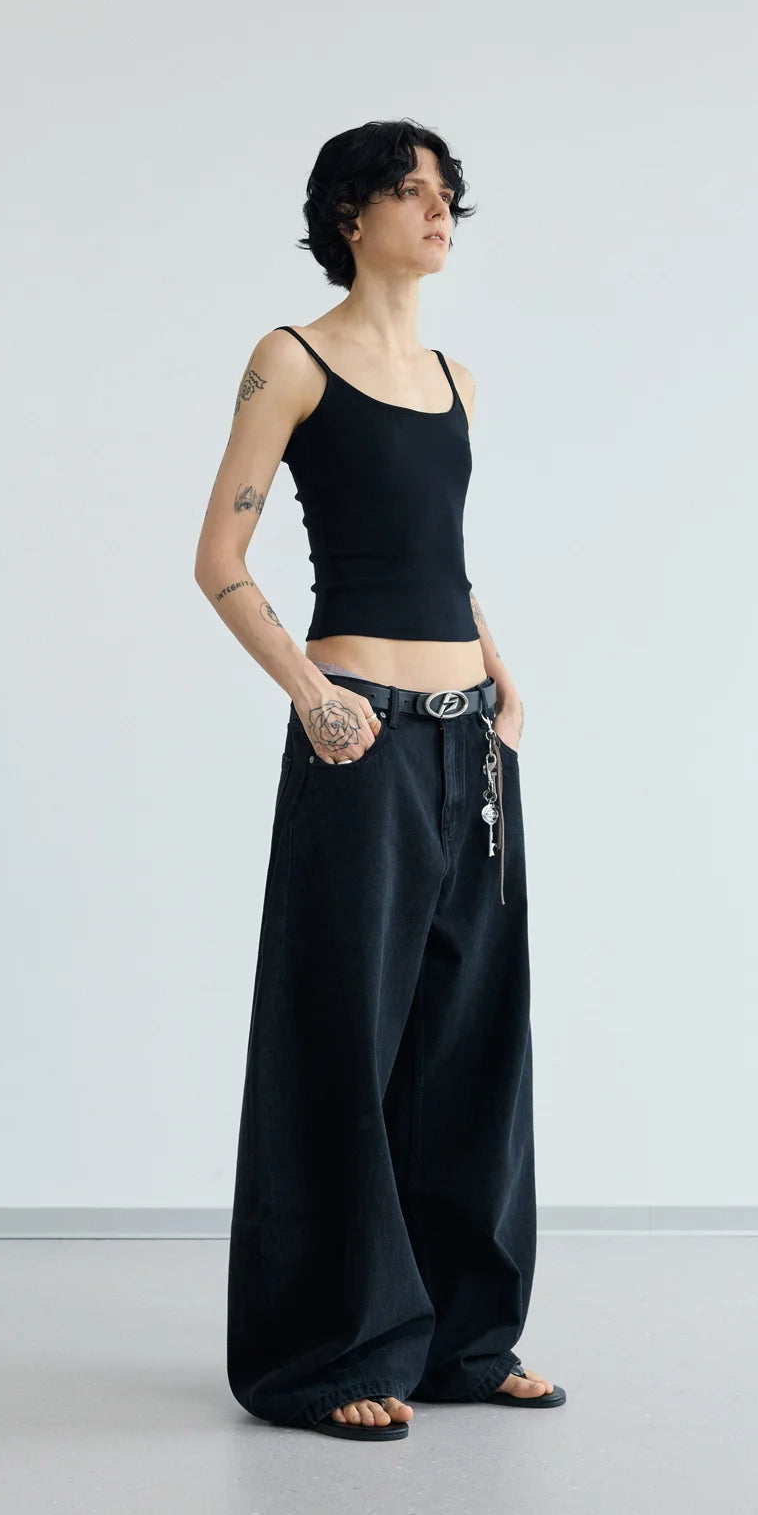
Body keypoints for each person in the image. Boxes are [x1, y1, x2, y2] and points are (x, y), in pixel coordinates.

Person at [193, 118, 564, 1441]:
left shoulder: (456, 379)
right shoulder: (291, 360)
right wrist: (310, 693)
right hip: (360, 737)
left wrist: (500, 674)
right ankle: (329, 1351)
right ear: (350, 215)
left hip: (470, 739)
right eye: (410, 190)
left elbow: (442, 560)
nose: (438, 208)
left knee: (472, 1040)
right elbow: (219, 561)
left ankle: (465, 1339)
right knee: (343, 1037)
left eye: (447, 190)